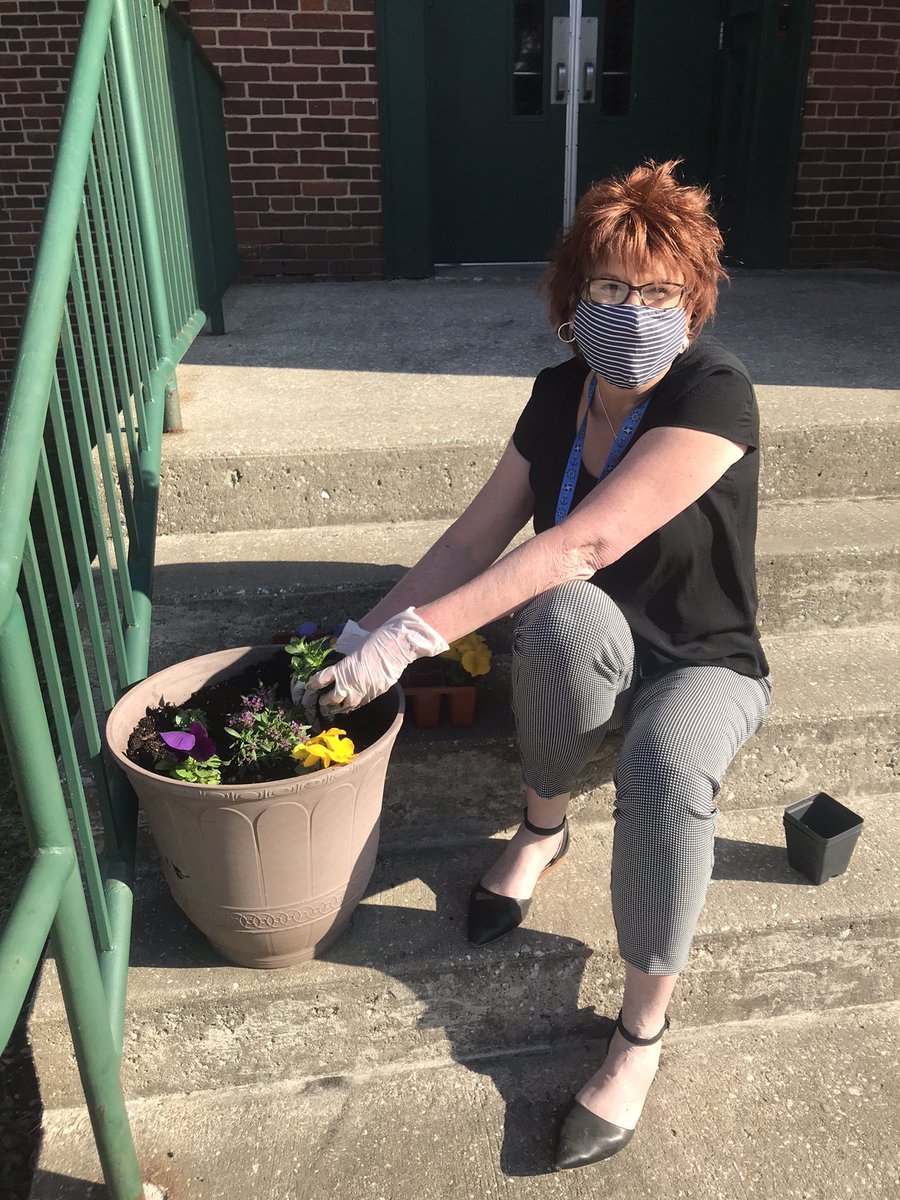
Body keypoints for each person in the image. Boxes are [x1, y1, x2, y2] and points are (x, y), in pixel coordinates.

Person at [302, 160, 772, 1172]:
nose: (634, 311)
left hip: (701, 660)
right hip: (589, 649)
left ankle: (639, 1030)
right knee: (557, 617)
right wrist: (358, 638)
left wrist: (414, 644)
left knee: (667, 767)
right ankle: (542, 827)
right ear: (571, 296)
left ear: (693, 302)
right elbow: (473, 542)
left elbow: (584, 541)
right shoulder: (560, 393)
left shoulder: (714, 391)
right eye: (611, 286)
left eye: (661, 292)